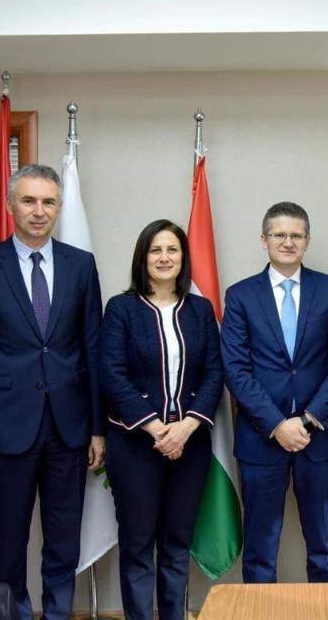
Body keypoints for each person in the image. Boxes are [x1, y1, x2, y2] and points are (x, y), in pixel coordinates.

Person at [0, 164, 104, 620]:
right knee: (9, 544)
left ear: (59, 208)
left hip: (69, 429)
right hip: (6, 433)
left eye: (48, 202)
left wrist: (97, 429)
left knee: (63, 542)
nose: (39, 211)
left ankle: (58, 614)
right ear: (10, 205)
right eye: (29, 201)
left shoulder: (81, 265)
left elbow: (92, 350)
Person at [221, 201, 328, 583]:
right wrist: (277, 424)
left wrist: (309, 419)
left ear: (307, 242)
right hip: (261, 439)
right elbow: (235, 368)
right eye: (279, 234)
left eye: (296, 235)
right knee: (260, 549)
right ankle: (262, 610)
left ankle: (326, 610)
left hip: (320, 439)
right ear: (264, 239)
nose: (287, 242)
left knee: (325, 546)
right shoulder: (241, 295)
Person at [102, 219, 223, 620]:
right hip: (134, 447)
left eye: (172, 250)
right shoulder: (121, 309)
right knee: (137, 545)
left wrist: (186, 428)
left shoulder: (200, 310)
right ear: (143, 257)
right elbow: (112, 374)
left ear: (183, 258)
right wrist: (156, 428)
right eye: (156, 250)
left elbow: (214, 372)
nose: (164, 257)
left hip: (190, 447)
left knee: (176, 544)